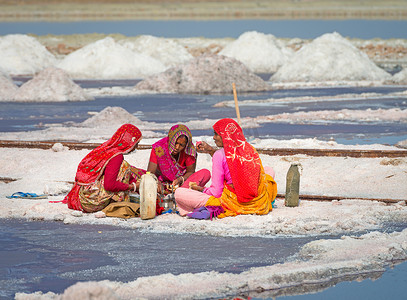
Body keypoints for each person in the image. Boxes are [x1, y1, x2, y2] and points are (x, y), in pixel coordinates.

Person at [174, 118, 277, 218]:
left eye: (216, 134)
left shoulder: (219, 155)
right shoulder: (249, 148)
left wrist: (202, 189)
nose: (213, 138)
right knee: (268, 170)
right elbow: (230, 162)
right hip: (257, 201)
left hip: (233, 202)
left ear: (225, 136)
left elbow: (216, 192)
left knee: (179, 193)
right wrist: (210, 150)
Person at [63, 123, 146, 213]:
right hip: (90, 203)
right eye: (136, 143)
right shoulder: (116, 156)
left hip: (80, 196)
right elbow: (109, 185)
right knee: (124, 167)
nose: (136, 147)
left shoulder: (106, 149)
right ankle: (117, 202)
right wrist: (131, 187)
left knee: (123, 169)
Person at [147, 124, 210, 193]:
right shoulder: (159, 148)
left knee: (205, 173)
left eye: (181, 145)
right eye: (175, 143)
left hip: (182, 184)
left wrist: (181, 179)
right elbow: (150, 173)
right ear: (170, 139)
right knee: (144, 179)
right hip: (162, 183)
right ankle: (182, 193)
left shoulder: (189, 151)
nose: (177, 147)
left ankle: (180, 192)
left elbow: (190, 172)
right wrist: (157, 182)